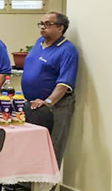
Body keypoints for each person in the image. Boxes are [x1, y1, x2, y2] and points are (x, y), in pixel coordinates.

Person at [21, 12, 79, 169]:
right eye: (41, 23)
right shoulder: (39, 42)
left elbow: (64, 83)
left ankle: (45, 187)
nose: (43, 27)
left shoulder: (67, 50)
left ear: (60, 28)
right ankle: (27, 182)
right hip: (33, 105)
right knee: (31, 144)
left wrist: (48, 102)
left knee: (53, 145)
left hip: (55, 106)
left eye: (48, 24)